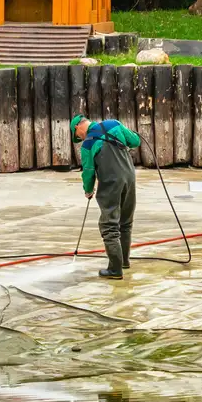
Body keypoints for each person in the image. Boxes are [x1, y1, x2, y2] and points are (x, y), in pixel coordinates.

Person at [70, 115, 141, 280]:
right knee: (125, 222)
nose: (80, 139)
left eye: (77, 136)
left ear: (77, 127)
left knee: (109, 225)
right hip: (129, 178)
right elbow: (135, 141)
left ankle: (115, 270)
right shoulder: (114, 125)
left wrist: (88, 190)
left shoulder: (87, 144)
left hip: (111, 183)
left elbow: (88, 172)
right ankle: (124, 262)